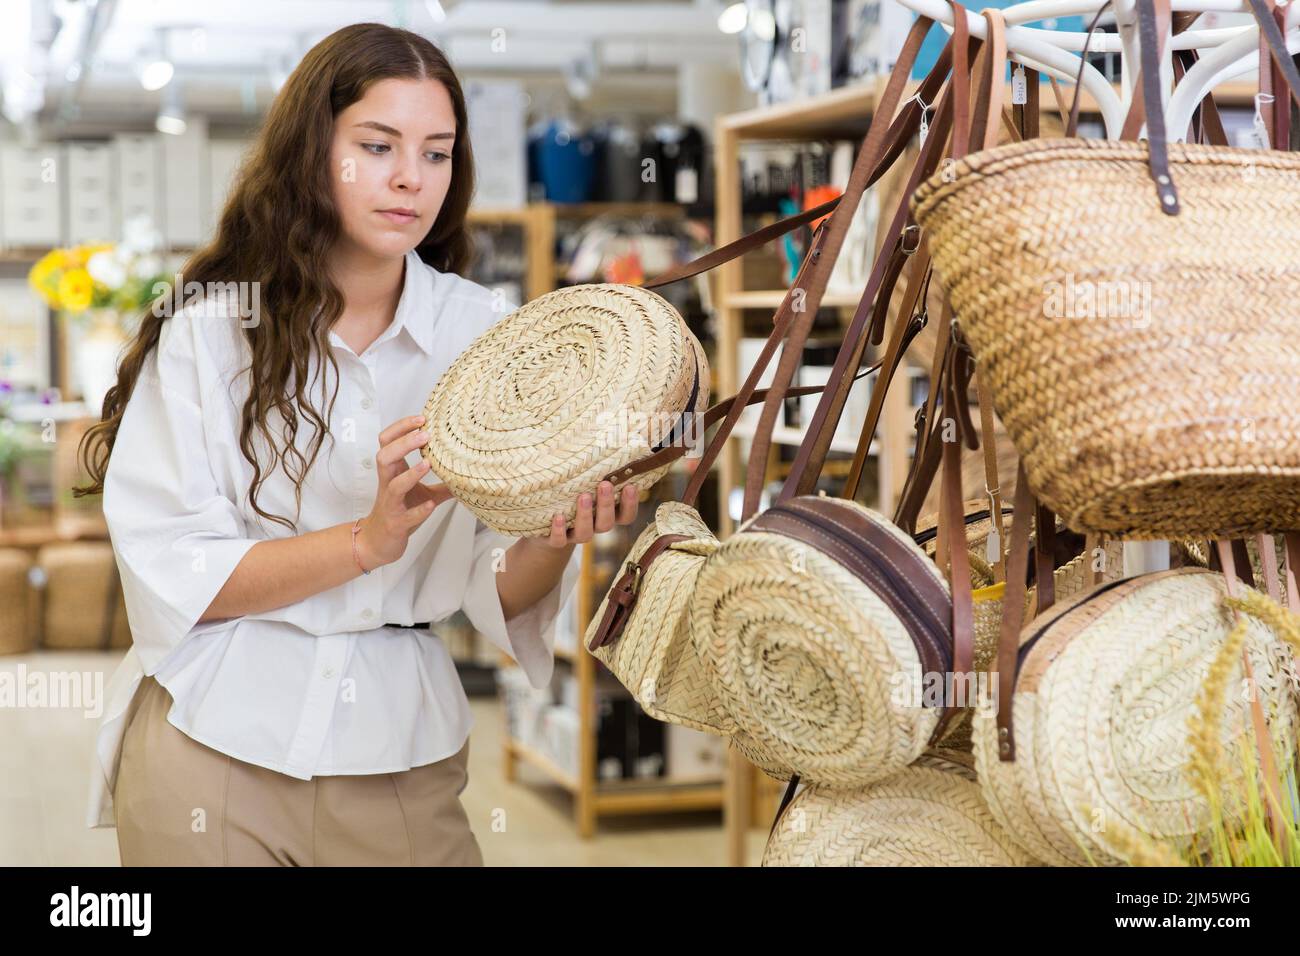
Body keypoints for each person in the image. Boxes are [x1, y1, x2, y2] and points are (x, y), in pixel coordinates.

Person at [76, 22, 640, 866]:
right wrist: (366, 542)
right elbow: (176, 568)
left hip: (399, 752)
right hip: (214, 743)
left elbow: (498, 589)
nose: (412, 178)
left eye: (438, 153)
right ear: (314, 152)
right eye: (378, 146)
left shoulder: (484, 334)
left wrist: (554, 537)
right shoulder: (213, 334)